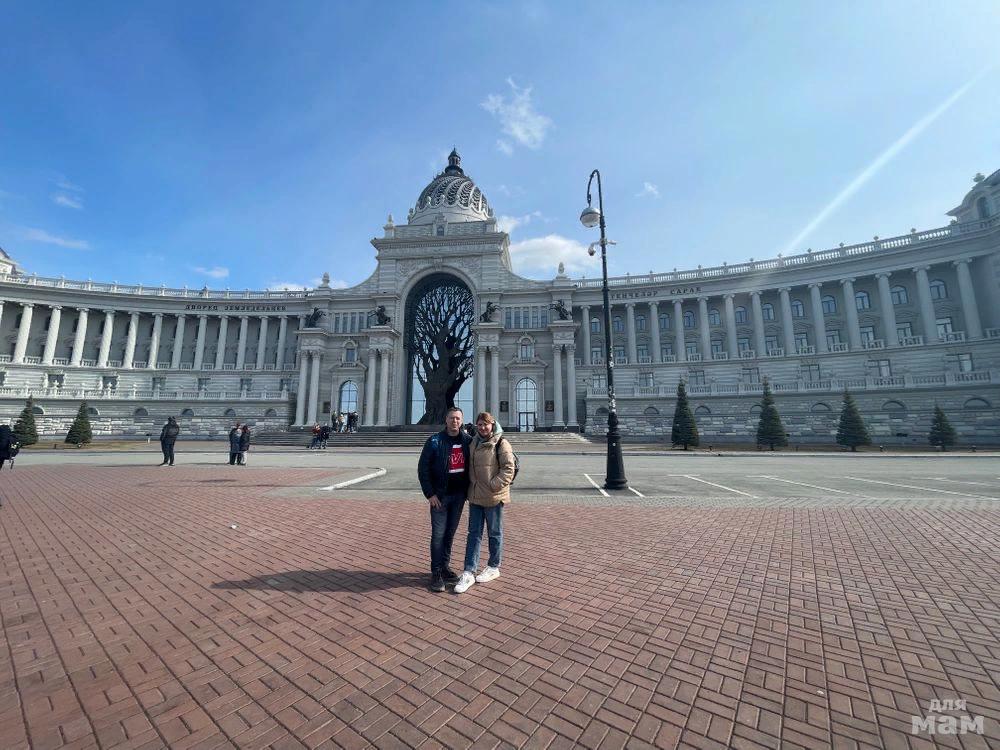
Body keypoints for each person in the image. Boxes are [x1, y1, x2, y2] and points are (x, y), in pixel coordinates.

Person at [454, 412, 515, 594]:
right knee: (473, 534)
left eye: (485, 424)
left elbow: (508, 469)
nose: (482, 428)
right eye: (479, 425)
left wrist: (493, 485)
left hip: (493, 496)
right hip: (475, 496)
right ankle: (469, 571)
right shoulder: (473, 442)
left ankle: (494, 566)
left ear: (492, 424)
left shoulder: (501, 443)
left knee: (494, 533)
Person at [417, 407, 471, 592]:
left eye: (458, 418)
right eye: (452, 418)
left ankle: (445, 566)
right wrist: (430, 494)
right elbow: (423, 469)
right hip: (440, 497)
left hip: (459, 497)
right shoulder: (434, 441)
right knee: (438, 535)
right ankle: (436, 572)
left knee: (449, 534)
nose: (455, 421)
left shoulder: (468, 441)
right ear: (446, 420)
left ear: (461, 421)